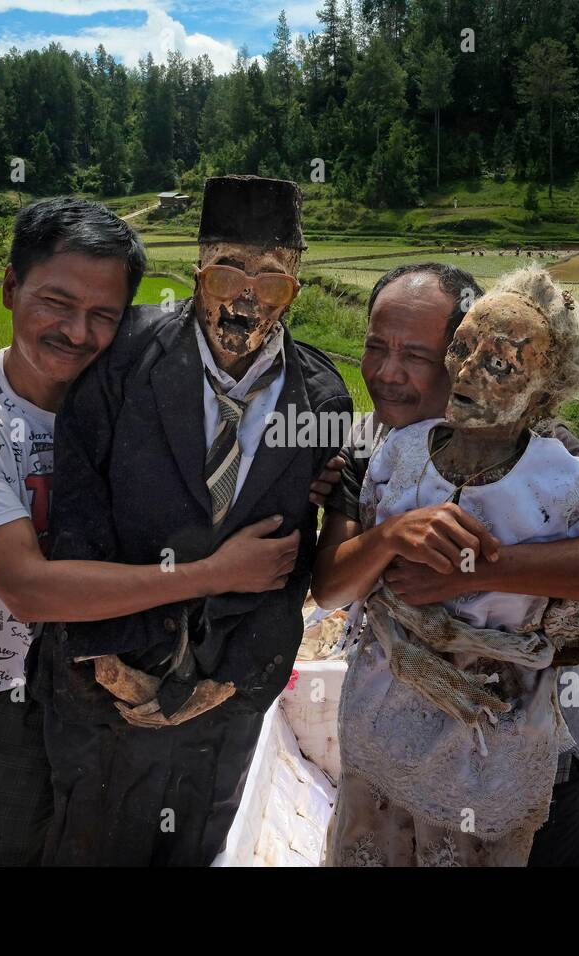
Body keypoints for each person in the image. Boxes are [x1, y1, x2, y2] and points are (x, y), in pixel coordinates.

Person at [0, 197, 340, 866]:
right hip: (25, 668)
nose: (77, 332)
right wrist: (216, 574)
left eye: (102, 314)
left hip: (159, 672)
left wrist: (321, 474)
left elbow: (265, 513)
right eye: (55, 302)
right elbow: (29, 588)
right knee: (16, 838)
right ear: (10, 287)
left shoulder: (146, 377)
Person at [312, 261, 579, 866]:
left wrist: (477, 568)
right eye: (375, 346)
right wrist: (389, 538)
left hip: (533, 733)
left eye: (416, 354)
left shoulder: (548, 460)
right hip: (394, 728)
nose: (386, 373)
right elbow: (332, 586)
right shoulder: (374, 449)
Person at [33, 175, 352, 865]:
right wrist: (107, 659)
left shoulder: (320, 398)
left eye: (272, 280)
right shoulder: (120, 363)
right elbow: (78, 519)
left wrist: (234, 677)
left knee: (197, 840)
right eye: (229, 270)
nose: (246, 296)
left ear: (295, 289)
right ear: (197, 269)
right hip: (106, 681)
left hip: (227, 691)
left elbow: (294, 559)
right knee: (92, 837)